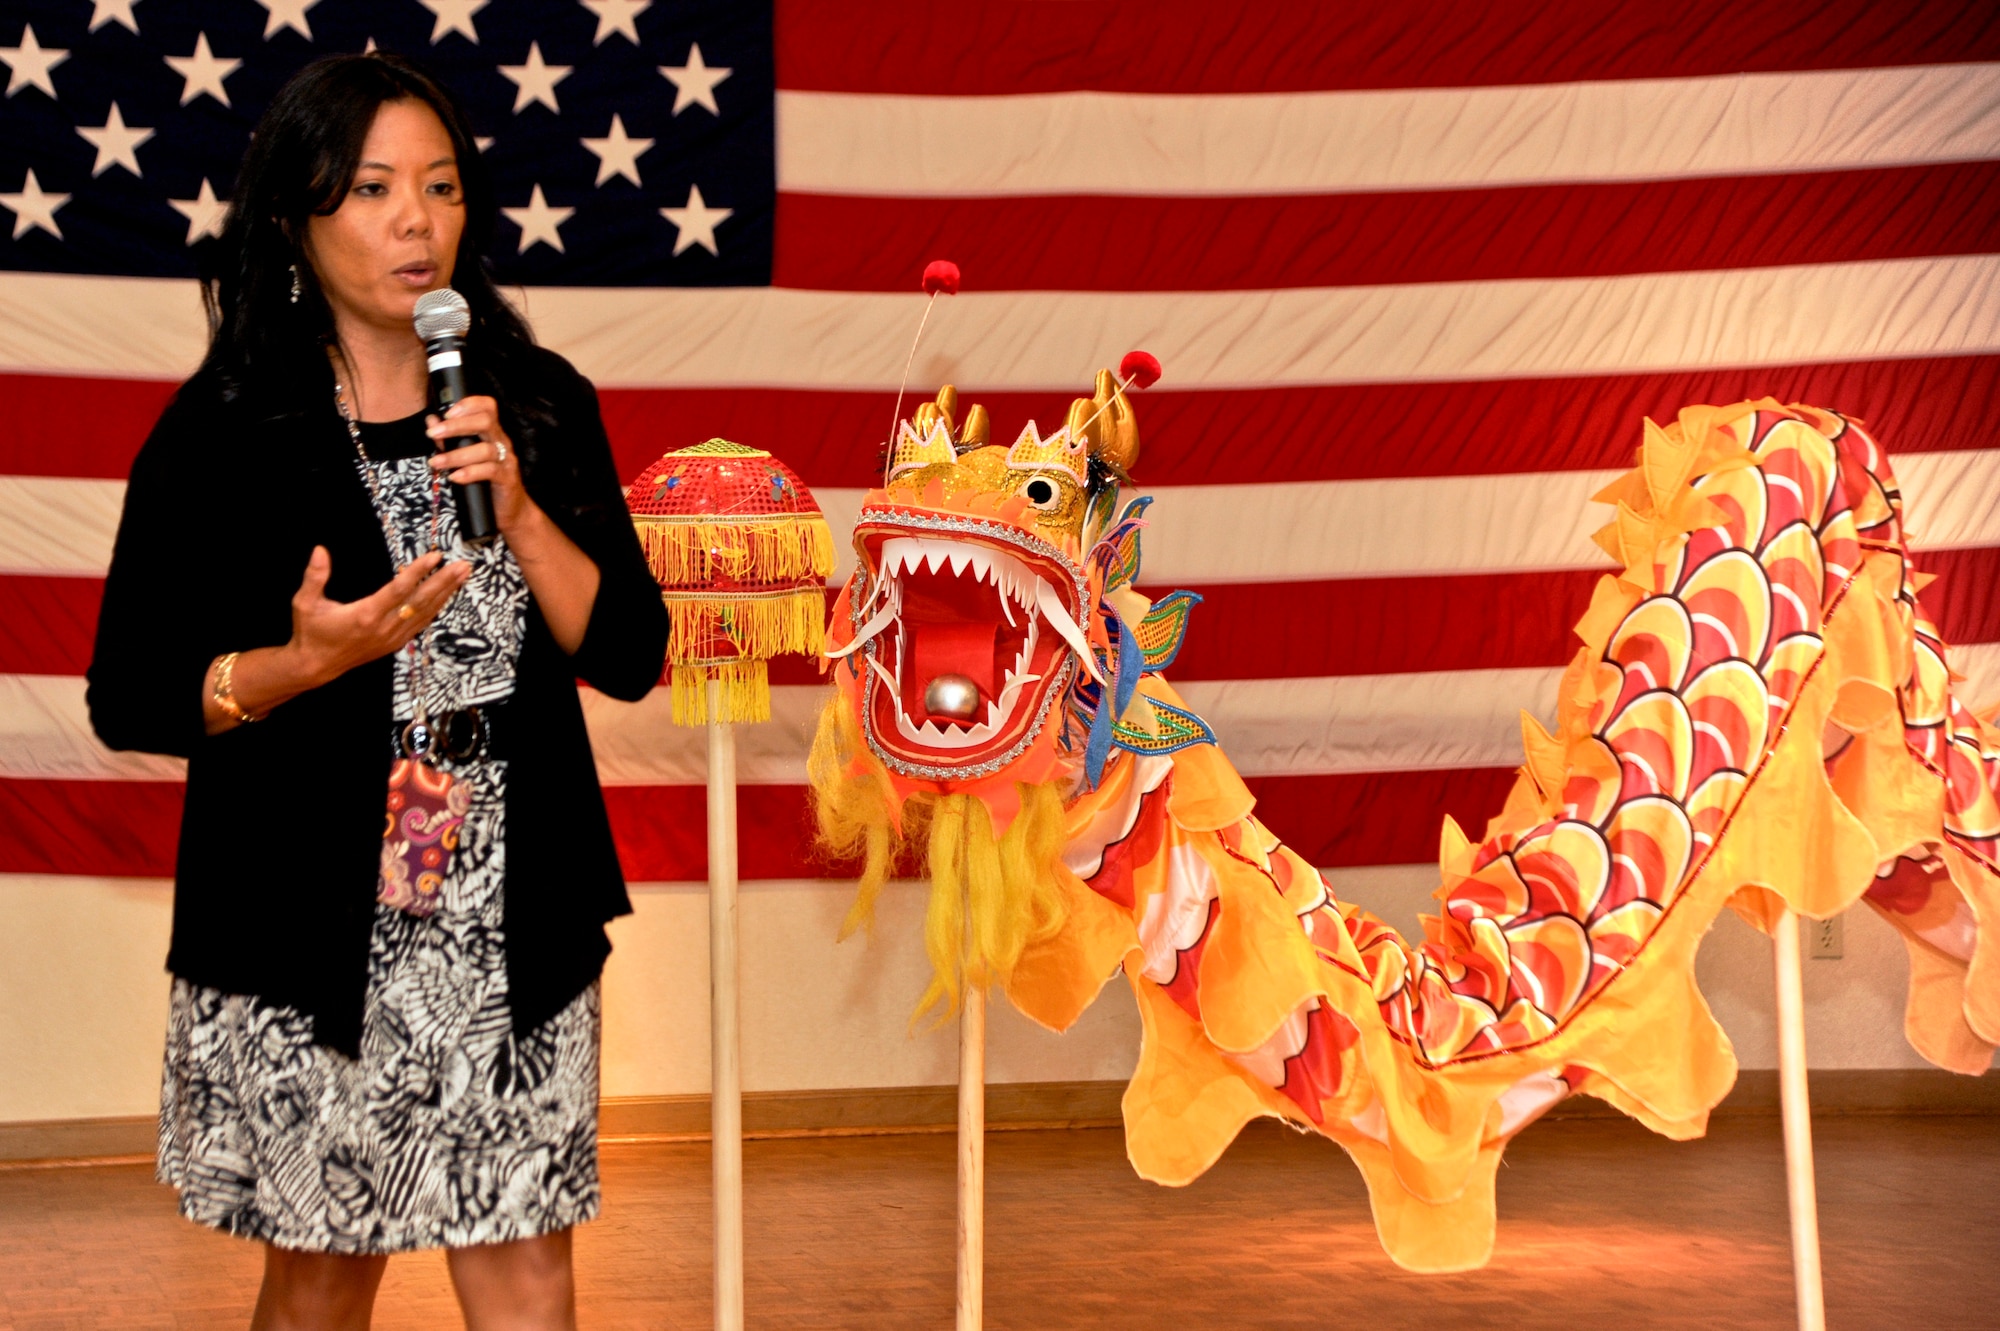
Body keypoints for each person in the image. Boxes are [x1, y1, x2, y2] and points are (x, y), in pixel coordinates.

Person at [86, 52, 667, 1330]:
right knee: (319, 1271)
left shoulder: (538, 408)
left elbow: (629, 647)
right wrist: (299, 667)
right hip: (308, 909)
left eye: (443, 186)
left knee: (525, 1262)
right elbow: (127, 693)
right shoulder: (229, 426)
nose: (418, 219)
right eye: (373, 188)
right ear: (297, 215)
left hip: (508, 905)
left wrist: (514, 502)